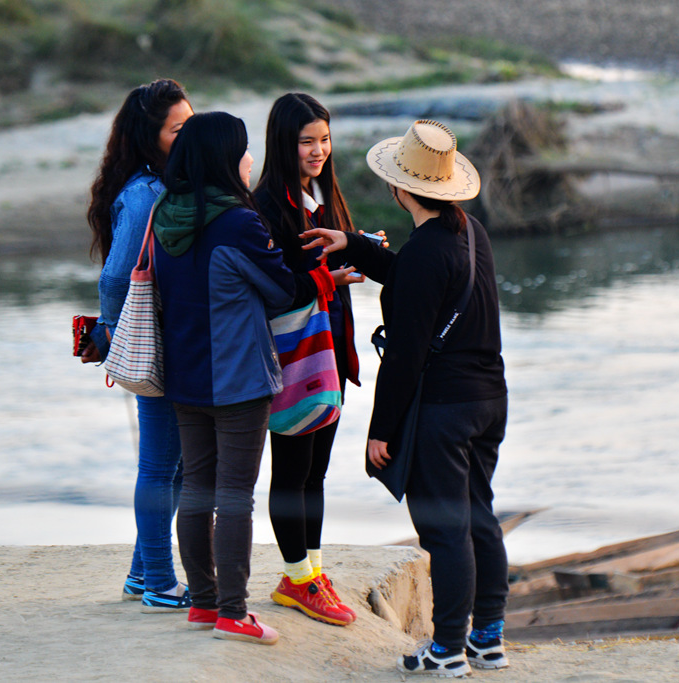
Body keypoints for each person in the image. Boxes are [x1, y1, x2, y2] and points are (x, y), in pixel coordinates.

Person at [304, 120, 509, 676]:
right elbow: (416, 279)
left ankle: (446, 650)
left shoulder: (424, 252)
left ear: (400, 190)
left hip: (445, 408)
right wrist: (356, 246)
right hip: (490, 398)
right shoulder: (470, 233)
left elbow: (405, 355)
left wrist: (382, 430)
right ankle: (487, 638)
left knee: (444, 527)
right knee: (478, 516)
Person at [151, 111, 296, 645]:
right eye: (243, 150)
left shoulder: (165, 214)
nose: (250, 159)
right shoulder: (237, 221)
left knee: (197, 489)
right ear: (223, 158)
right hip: (236, 380)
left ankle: (205, 604)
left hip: (185, 378)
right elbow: (283, 290)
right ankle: (235, 612)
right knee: (235, 495)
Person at [253, 93, 366, 627]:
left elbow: (327, 264)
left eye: (324, 139)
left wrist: (358, 248)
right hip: (295, 355)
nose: (318, 150)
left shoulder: (325, 193)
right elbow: (273, 288)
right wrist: (327, 275)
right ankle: (297, 578)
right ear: (283, 143)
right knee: (291, 471)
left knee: (316, 472)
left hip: (331, 350)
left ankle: (309, 571)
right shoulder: (267, 207)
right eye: (306, 142)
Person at [83, 78, 193, 613]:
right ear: (151, 137)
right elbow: (115, 277)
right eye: (178, 129)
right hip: (155, 345)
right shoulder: (147, 192)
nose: (188, 135)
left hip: (167, 342)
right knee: (158, 467)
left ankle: (140, 574)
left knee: (171, 466)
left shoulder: (162, 184)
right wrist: (111, 332)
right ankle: (159, 583)